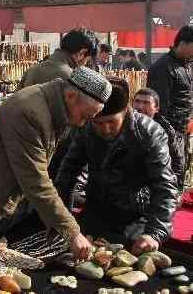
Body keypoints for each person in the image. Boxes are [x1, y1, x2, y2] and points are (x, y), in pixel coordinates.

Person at [0, 67, 112, 260]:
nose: (83, 123)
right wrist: (72, 232)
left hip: (7, 205)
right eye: (85, 116)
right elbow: (35, 180)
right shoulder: (29, 111)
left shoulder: (53, 107)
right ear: (71, 96)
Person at [55, 77, 178, 254]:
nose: (105, 129)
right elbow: (67, 174)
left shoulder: (149, 133)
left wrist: (155, 233)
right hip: (96, 208)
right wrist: (65, 223)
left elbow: (165, 186)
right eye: (99, 123)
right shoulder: (86, 128)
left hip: (135, 215)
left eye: (112, 122)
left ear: (125, 112)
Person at [147, 25, 193, 192]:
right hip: (168, 133)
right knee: (167, 178)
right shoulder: (163, 68)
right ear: (183, 43)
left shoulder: (187, 65)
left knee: (180, 173)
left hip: (183, 131)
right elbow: (159, 110)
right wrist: (172, 139)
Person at [133, 88, 182, 186]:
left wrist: (176, 189)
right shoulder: (124, 126)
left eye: (146, 103)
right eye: (137, 101)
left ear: (156, 109)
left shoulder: (166, 131)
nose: (140, 107)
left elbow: (177, 163)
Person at [20, 29, 97, 88]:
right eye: (87, 60)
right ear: (82, 53)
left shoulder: (31, 71)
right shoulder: (73, 79)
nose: (85, 64)